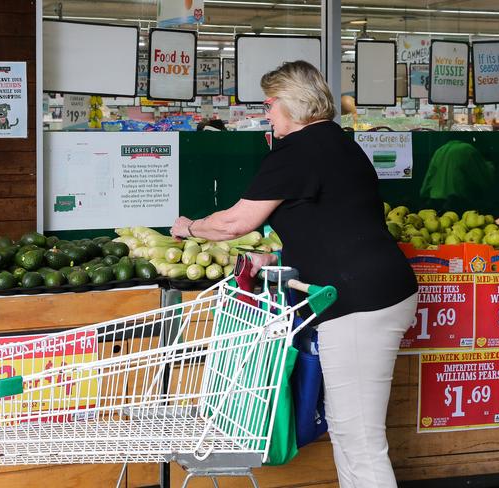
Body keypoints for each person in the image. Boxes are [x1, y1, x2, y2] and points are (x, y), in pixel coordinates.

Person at [170, 60, 418, 488]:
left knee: (360, 438)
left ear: (290, 103)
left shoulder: (297, 150)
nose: (266, 114)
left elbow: (234, 224)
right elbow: (332, 219)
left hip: (357, 302)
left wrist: (187, 228)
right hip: (378, 289)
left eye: (268, 103)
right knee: (348, 431)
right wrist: (282, 256)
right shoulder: (338, 143)